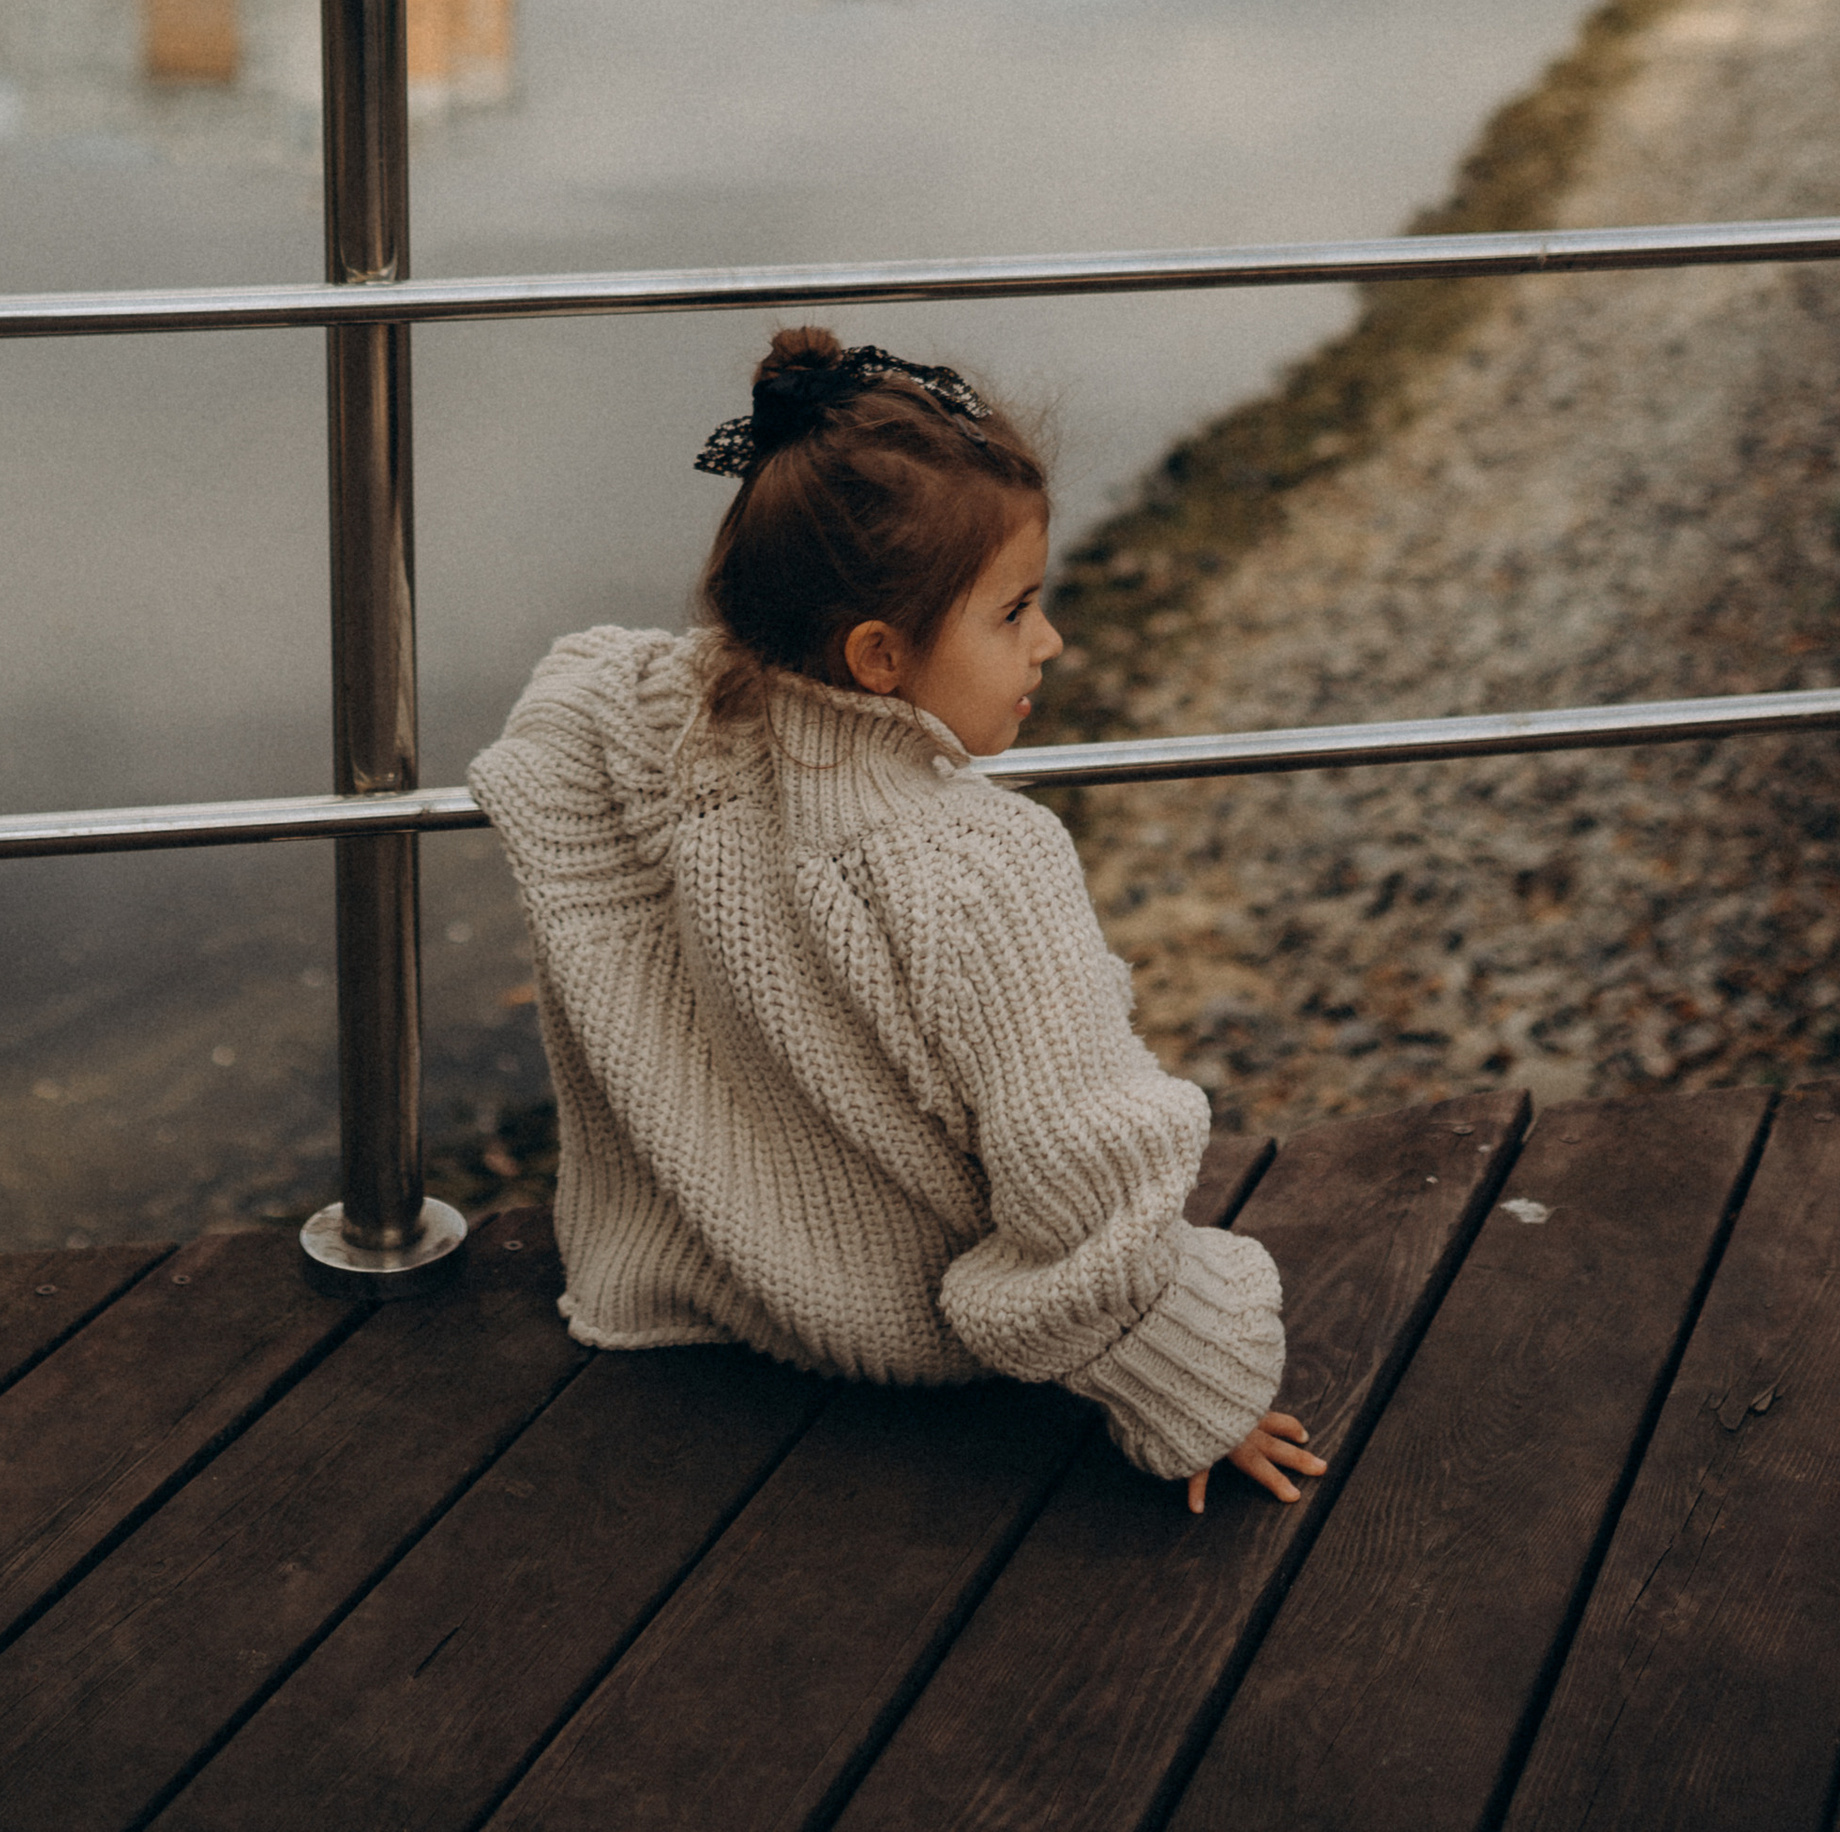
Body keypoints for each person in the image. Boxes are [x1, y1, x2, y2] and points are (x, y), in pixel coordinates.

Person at [469, 325, 1323, 1515]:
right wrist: (1199, 1392)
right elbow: (1078, 1173)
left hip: (713, 1296)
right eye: (1015, 611)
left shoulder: (672, 747)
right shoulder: (981, 862)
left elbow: (571, 696)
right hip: (923, 1337)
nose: (1050, 641)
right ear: (876, 656)